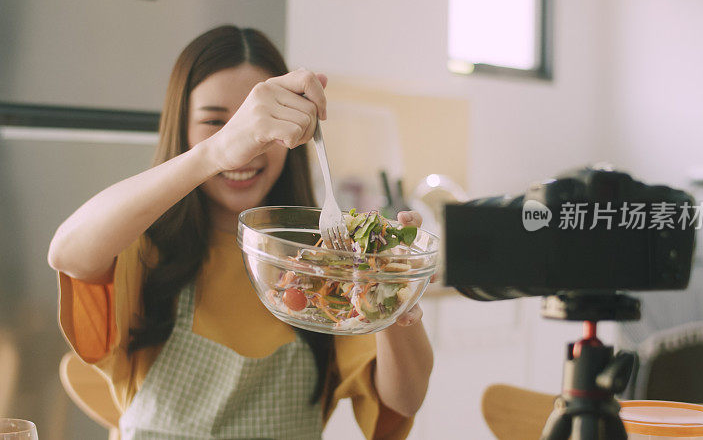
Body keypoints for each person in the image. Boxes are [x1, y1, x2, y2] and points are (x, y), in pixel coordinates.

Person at [48, 25, 433, 439]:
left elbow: (404, 399)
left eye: (261, 124)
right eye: (215, 122)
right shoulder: (143, 248)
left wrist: (388, 284)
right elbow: (67, 253)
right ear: (181, 129)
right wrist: (216, 151)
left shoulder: (328, 265)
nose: (247, 146)